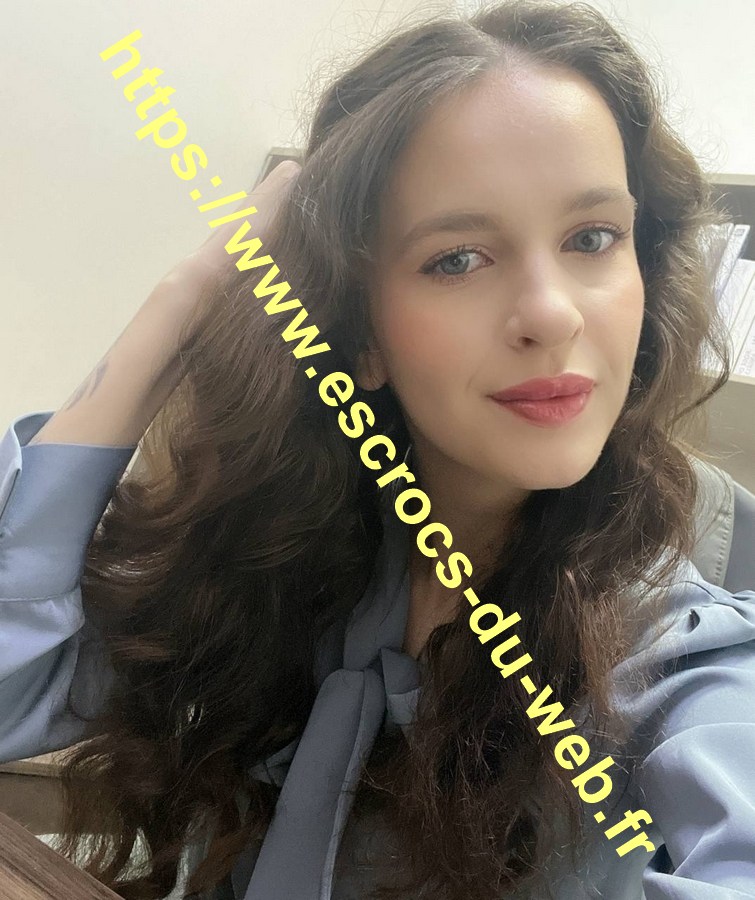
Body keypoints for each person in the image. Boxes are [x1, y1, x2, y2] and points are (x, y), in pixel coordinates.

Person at [1, 0, 754, 897]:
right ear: (359, 333)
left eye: (592, 238)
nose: (553, 314)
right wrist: (192, 289)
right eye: (457, 258)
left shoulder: (669, 656)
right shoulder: (286, 561)